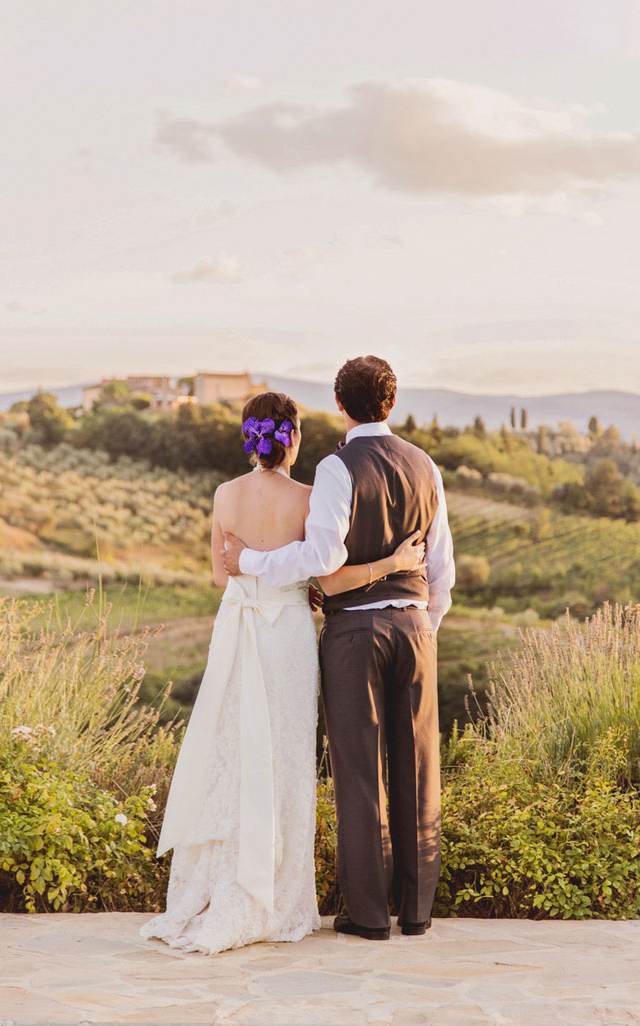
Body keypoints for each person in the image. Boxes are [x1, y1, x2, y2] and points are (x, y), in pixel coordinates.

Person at [138, 390, 425, 955]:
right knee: (288, 757)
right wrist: (322, 588)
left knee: (238, 750)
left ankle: (223, 885)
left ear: (249, 438)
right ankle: (279, 895)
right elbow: (324, 569)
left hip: (239, 630)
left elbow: (222, 580)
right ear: (291, 438)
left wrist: (253, 568)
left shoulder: (223, 495)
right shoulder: (310, 496)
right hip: (289, 634)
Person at [223, 357, 455, 940]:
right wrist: (426, 622)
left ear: (340, 406)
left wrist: (249, 562)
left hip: (356, 635)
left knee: (358, 772)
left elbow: (322, 560)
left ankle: (368, 915)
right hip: (415, 629)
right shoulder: (425, 465)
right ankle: (417, 911)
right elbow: (442, 564)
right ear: (391, 405)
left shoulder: (336, 466)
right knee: (419, 768)